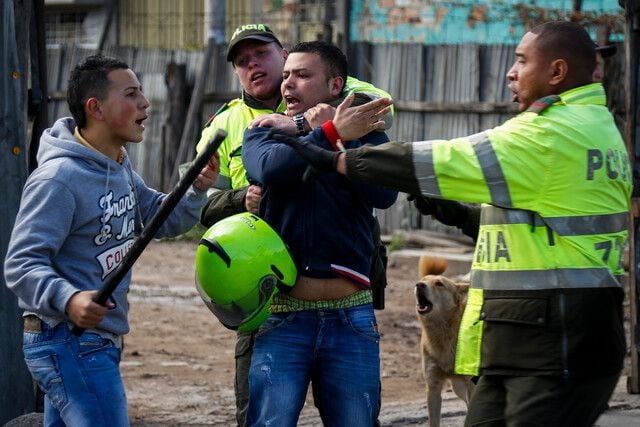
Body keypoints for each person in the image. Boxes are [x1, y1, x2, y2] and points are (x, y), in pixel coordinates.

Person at [272, 21, 631, 426]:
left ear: (556, 72)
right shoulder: (593, 126)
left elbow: (445, 157)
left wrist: (340, 159)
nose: (511, 72)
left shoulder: (551, 133)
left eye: (521, 61)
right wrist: (456, 213)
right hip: (533, 336)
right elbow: (540, 227)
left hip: (557, 336)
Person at [194, 23, 393, 426]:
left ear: (336, 85)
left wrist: (342, 136)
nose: (288, 83)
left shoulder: (366, 134)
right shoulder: (262, 131)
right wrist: (324, 130)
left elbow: (383, 194)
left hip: (351, 316)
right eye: (287, 75)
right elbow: (272, 170)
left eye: (301, 75)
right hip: (282, 315)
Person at [4, 54, 218, 426]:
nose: (145, 103)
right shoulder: (58, 180)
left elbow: (156, 218)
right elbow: (21, 264)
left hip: (94, 341)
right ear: (96, 108)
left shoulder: (118, 164)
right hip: (67, 339)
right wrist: (68, 298)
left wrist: (197, 189)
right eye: (132, 94)